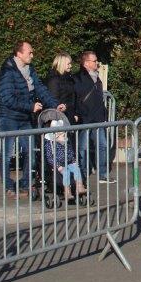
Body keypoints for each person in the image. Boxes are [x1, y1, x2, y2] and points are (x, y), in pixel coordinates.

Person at [0, 40, 63, 198]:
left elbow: (40, 88)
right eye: (29, 52)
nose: (32, 55)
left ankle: (26, 184)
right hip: (9, 118)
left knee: (30, 152)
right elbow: (7, 98)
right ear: (19, 54)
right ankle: (8, 186)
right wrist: (30, 107)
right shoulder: (8, 72)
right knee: (6, 154)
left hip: (25, 118)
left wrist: (55, 105)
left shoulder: (30, 70)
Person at [75, 50, 113, 183]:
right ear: (86, 63)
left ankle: (102, 174)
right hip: (85, 119)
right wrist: (80, 113)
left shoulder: (97, 78)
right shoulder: (78, 78)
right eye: (94, 61)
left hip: (98, 118)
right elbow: (77, 98)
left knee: (102, 145)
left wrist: (103, 115)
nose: (97, 63)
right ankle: (83, 175)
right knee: (83, 148)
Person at [44, 119, 86, 201]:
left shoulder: (66, 142)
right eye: (61, 134)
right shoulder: (50, 144)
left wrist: (74, 160)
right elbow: (50, 157)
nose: (63, 135)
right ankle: (67, 191)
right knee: (66, 172)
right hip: (59, 164)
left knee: (77, 169)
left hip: (69, 162)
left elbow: (70, 152)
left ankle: (79, 186)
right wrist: (57, 165)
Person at [45, 52, 78, 123]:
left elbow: (72, 98)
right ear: (62, 64)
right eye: (68, 64)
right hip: (59, 117)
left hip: (69, 115)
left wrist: (74, 113)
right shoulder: (54, 80)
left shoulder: (69, 79)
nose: (70, 66)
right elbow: (53, 98)